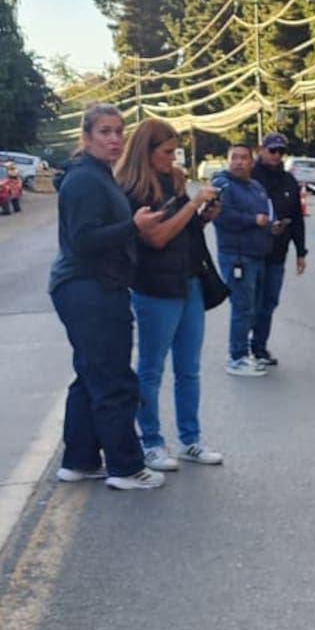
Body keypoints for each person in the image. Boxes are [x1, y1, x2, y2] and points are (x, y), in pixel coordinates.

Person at [48, 103, 167, 490]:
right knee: (113, 379)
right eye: (104, 132)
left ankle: (79, 460)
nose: (114, 139)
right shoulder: (84, 180)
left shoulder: (98, 175)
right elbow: (83, 242)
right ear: (85, 137)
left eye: (118, 131)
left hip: (94, 286)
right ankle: (126, 467)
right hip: (90, 287)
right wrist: (131, 227)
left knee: (91, 375)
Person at [114, 119, 225, 471]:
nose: (171, 158)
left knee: (189, 368)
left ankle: (190, 439)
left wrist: (204, 216)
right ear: (146, 151)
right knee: (150, 368)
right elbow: (157, 238)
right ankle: (151, 442)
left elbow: (183, 233)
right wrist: (192, 206)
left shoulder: (174, 180)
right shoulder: (132, 190)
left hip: (189, 280)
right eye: (165, 152)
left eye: (174, 151)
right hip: (155, 288)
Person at [211, 142, 274, 377]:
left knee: (254, 308)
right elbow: (221, 216)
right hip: (237, 256)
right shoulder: (223, 185)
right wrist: (252, 220)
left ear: (251, 161)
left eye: (243, 157)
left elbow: (264, 213)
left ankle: (246, 353)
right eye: (234, 157)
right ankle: (236, 357)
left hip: (258, 255)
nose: (238, 162)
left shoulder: (256, 186)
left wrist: (269, 225)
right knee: (242, 308)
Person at [250, 131, 308, 366]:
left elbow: (297, 217)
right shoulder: (250, 178)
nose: (276, 156)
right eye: (272, 150)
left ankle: (259, 347)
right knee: (251, 302)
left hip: (277, 252)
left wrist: (301, 251)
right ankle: (241, 347)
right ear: (261, 149)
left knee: (269, 301)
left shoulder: (288, 181)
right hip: (251, 251)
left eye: (281, 152)